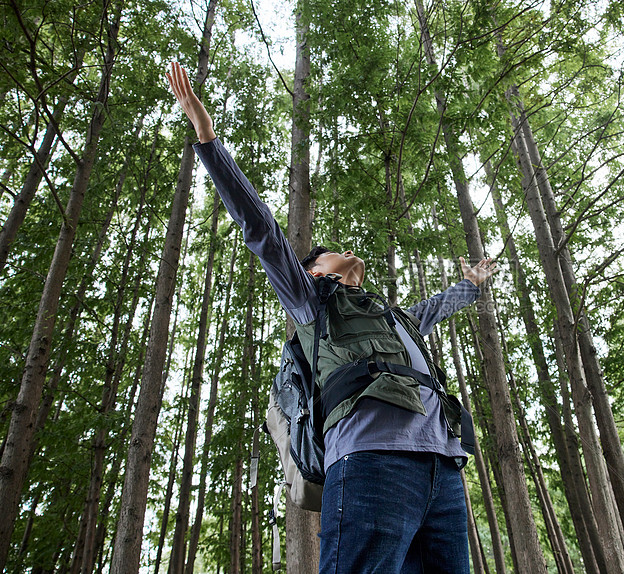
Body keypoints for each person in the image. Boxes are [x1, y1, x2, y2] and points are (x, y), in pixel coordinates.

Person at [166, 62, 496, 573]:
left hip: (444, 471)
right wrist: (209, 142)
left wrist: (472, 283)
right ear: (314, 271)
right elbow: (263, 232)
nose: (338, 253)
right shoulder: (311, 302)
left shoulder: (394, 318)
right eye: (326, 253)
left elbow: (440, 306)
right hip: (370, 462)